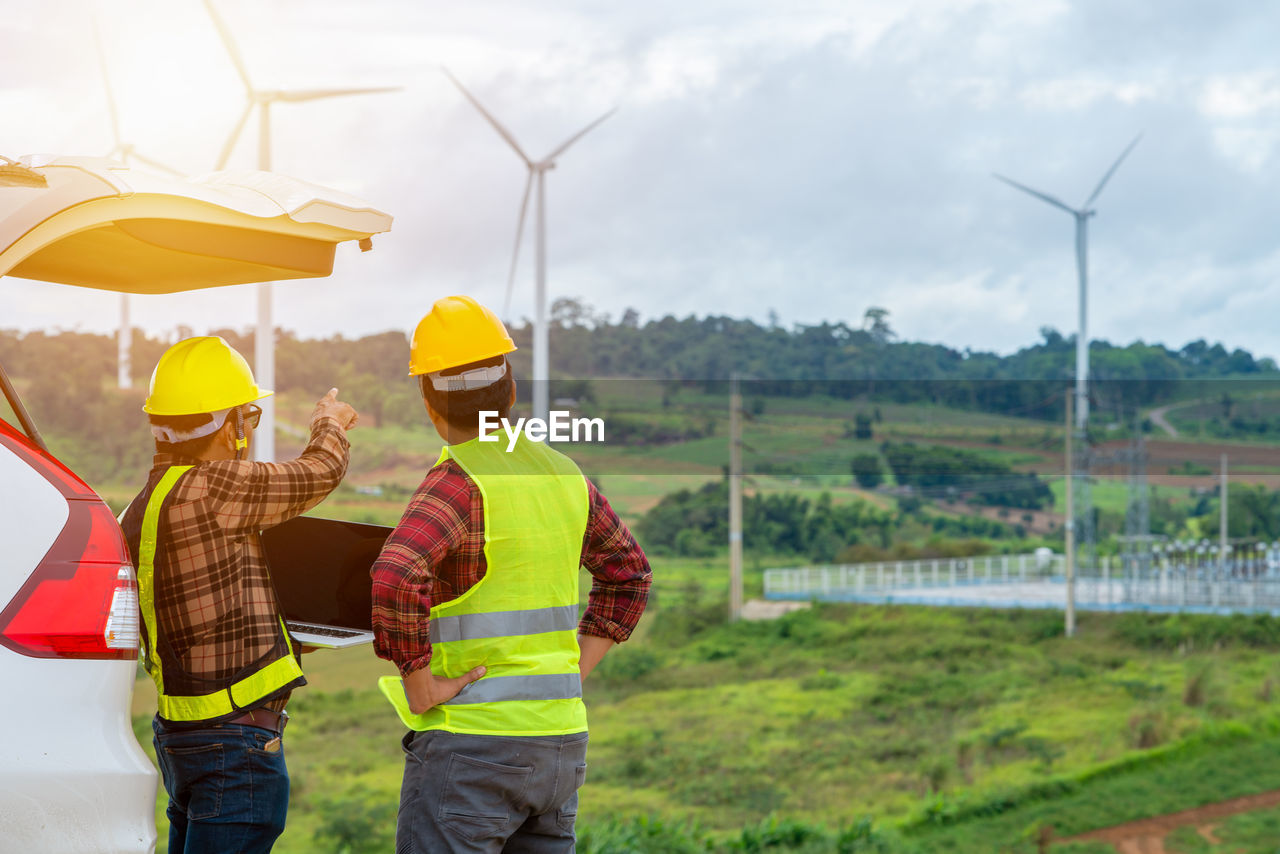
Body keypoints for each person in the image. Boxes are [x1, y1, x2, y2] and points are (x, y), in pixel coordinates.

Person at [371, 295, 651, 853]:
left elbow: (396, 576)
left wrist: (419, 684)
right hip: (558, 746)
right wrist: (571, 670)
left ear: (430, 402)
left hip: (472, 750)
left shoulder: (457, 483)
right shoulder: (564, 475)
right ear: (512, 391)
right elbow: (629, 574)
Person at [120, 336, 358, 854]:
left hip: (181, 734)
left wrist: (281, 638)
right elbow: (319, 472)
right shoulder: (214, 488)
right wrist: (329, 424)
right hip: (235, 745)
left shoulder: (144, 505)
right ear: (230, 425)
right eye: (247, 418)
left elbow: (199, 615)